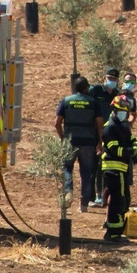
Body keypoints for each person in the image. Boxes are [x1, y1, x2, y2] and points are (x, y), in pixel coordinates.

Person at [54, 76, 103, 216]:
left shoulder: (67, 101)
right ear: (87, 88)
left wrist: (62, 138)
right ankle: (84, 205)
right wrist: (100, 141)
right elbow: (99, 122)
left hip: (71, 141)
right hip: (88, 142)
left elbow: (57, 123)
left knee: (67, 169)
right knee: (86, 172)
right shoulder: (94, 102)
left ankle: (68, 192)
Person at [99, 94, 135, 241]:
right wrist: (131, 151)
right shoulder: (109, 128)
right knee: (117, 200)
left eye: (125, 112)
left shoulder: (123, 125)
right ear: (114, 109)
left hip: (122, 169)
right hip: (113, 169)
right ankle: (113, 233)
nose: (123, 114)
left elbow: (131, 140)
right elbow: (115, 150)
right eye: (121, 111)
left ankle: (117, 230)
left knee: (125, 199)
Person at [86, 67, 121, 207]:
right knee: (93, 165)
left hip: (111, 134)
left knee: (106, 166)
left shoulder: (117, 95)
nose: (111, 81)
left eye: (114, 79)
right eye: (109, 78)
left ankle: (103, 195)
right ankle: (90, 196)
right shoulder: (95, 91)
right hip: (95, 133)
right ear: (104, 78)